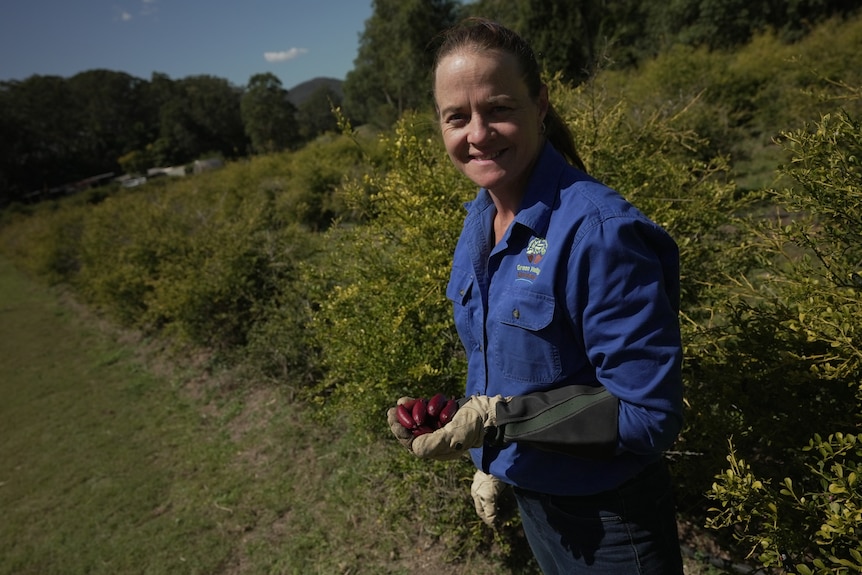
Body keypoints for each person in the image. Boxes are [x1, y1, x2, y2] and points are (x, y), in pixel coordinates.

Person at [387, 17, 685, 575]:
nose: (477, 133)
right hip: (536, 502)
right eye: (457, 117)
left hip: (610, 521)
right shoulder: (483, 218)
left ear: (540, 103)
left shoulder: (599, 231)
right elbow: (508, 368)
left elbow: (647, 414)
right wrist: (487, 452)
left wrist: (502, 421)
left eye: (498, 108)